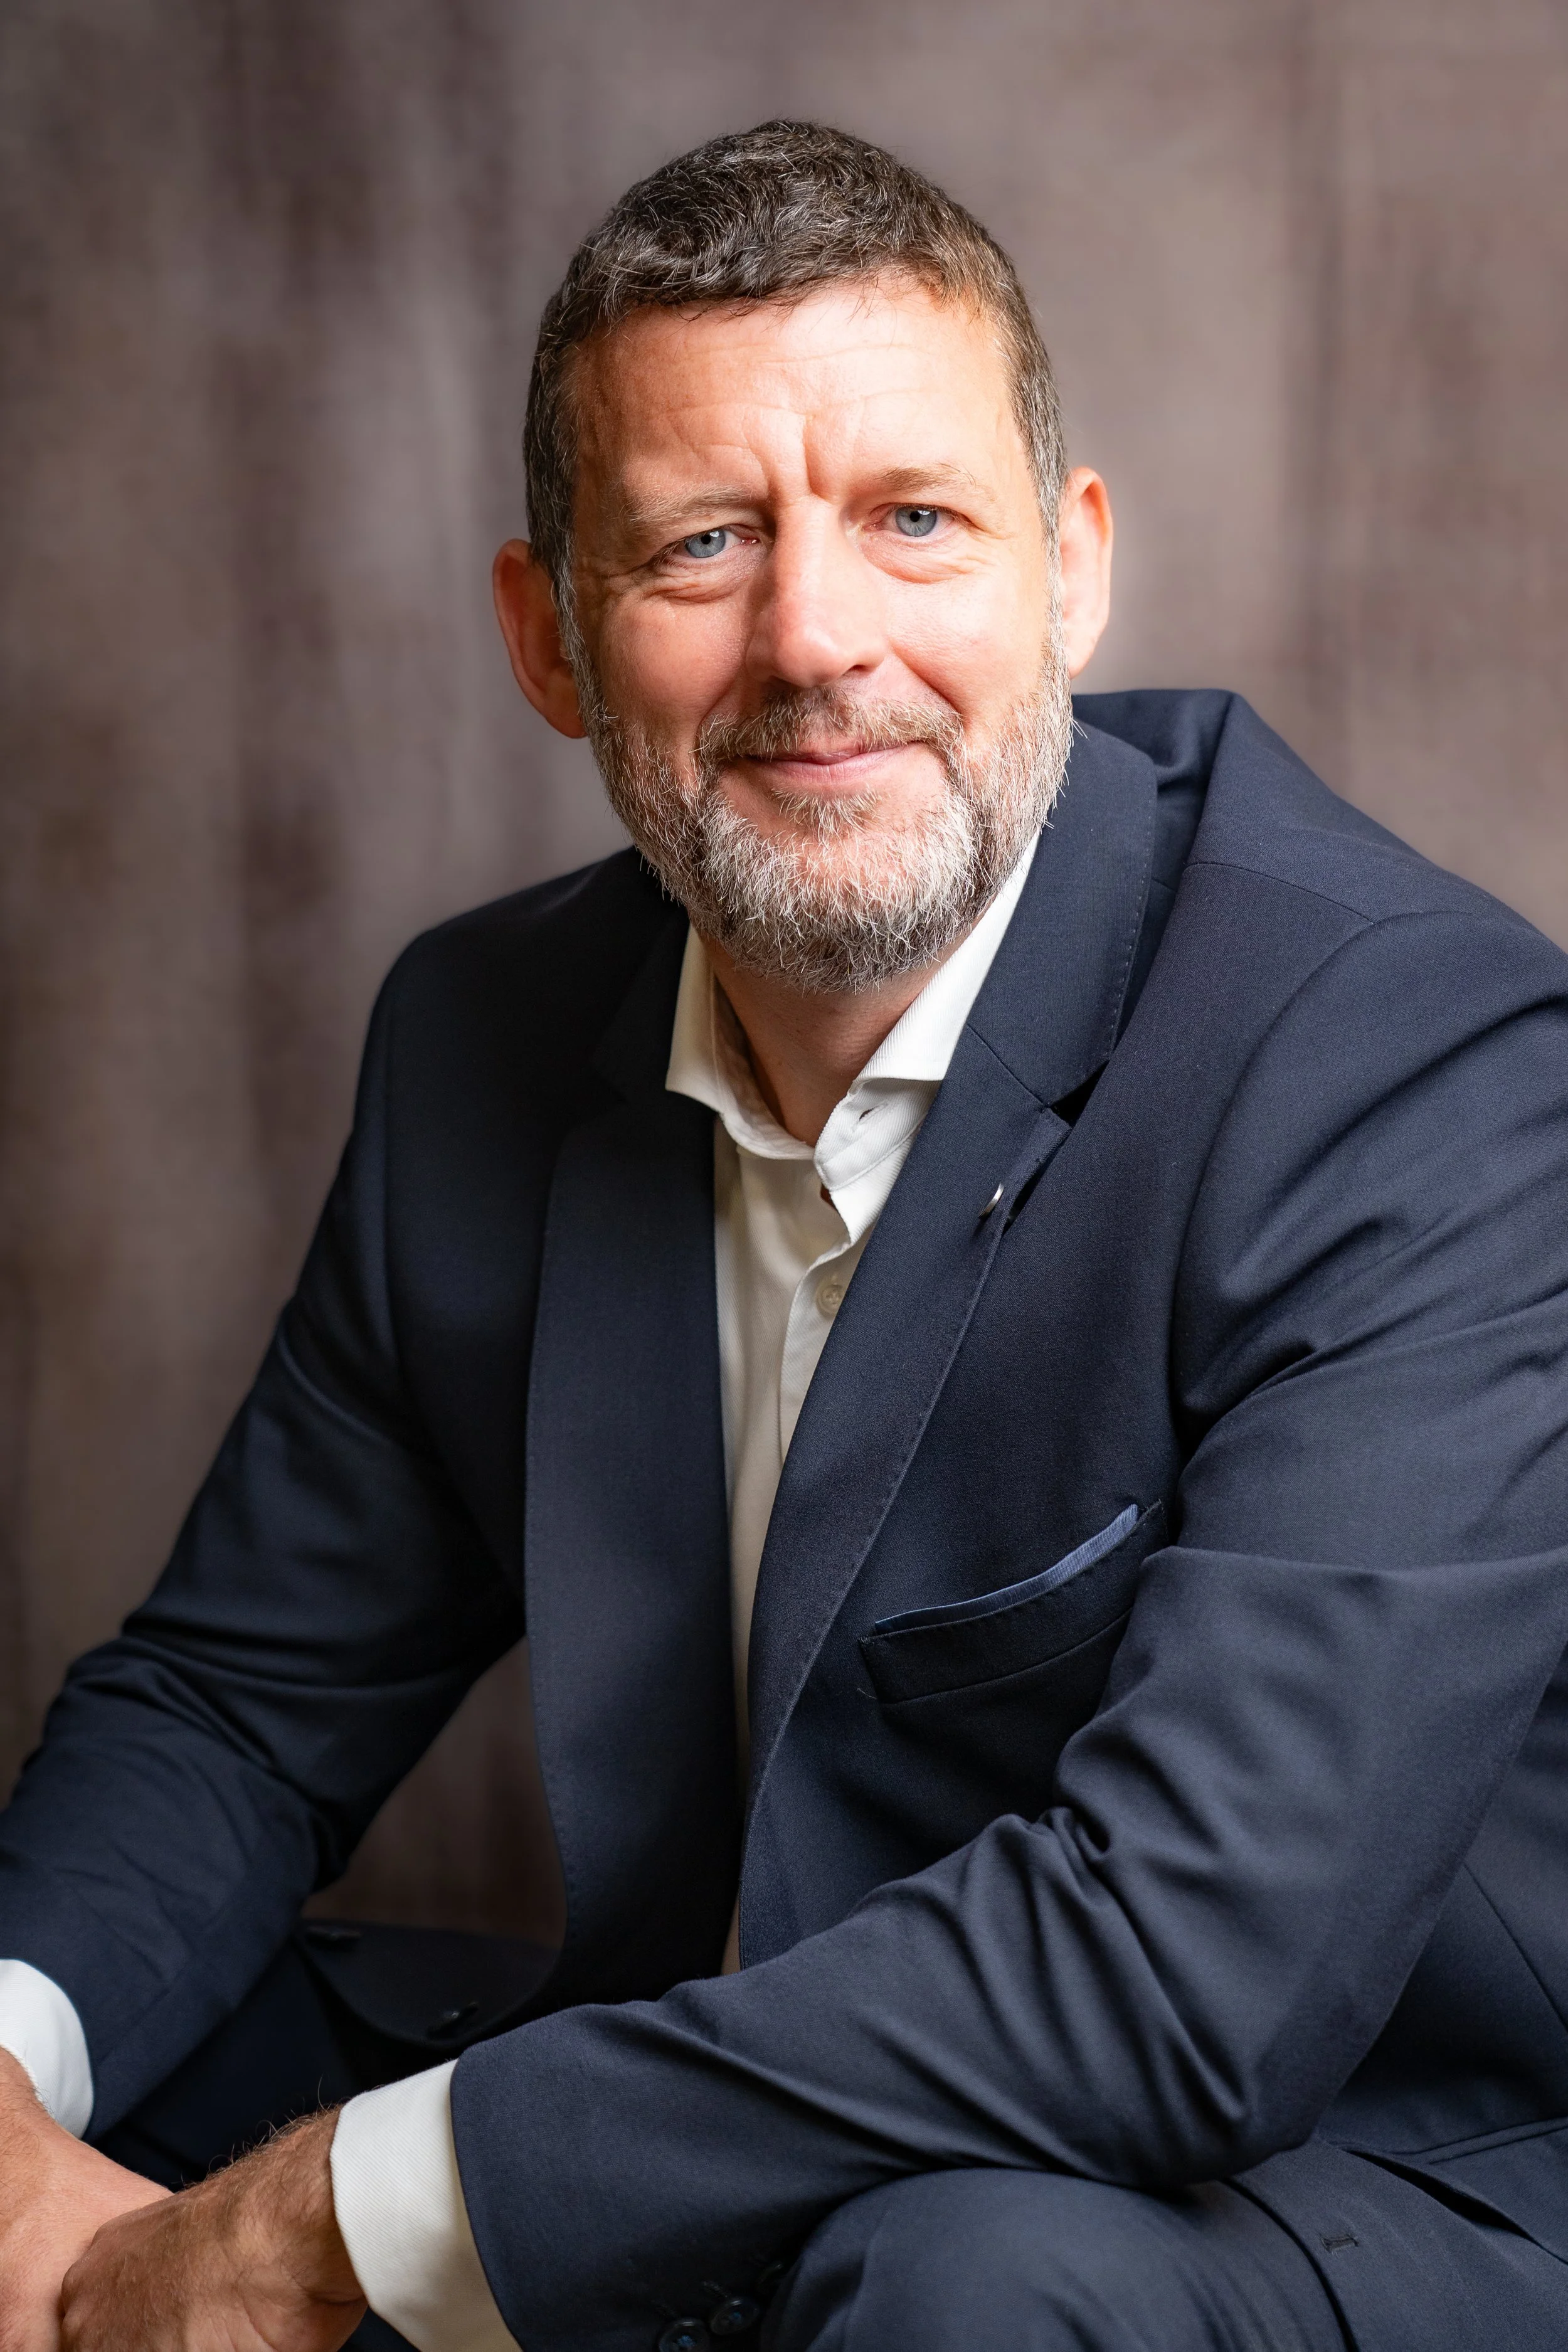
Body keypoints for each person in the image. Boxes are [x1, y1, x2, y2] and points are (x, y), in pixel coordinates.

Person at [3, 118, 1567, 2352]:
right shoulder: (480, 1035)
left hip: (1341, 2169)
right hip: (736, 2099)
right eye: (702, 542)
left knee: (952, 2278)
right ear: (549, 635)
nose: (816, 639)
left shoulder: (1406, 1053)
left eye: (913, 520)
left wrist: (318, 2225)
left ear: (1070, 571)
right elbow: (239, 1704)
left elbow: (1182, 1971)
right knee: (123, 2053)